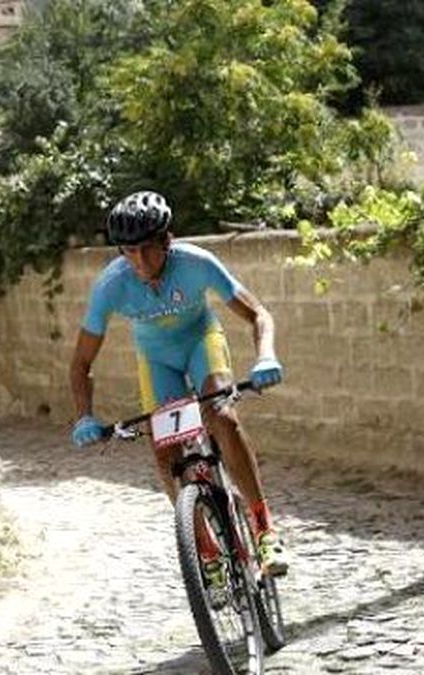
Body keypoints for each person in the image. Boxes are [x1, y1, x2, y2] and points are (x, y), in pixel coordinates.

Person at [68, 190, 288, 598]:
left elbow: (258, 313)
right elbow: (81, 362)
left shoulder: (196, 264)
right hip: (157, 361)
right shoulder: (111, 286)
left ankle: (263, 528)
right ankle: (205, 550)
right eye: (127, 251)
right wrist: (84, 415)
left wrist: (265, 355)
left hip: (201, 342)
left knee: (221, 414)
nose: (137, 262)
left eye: (146, 249)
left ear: (166, 240)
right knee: (164, 451)